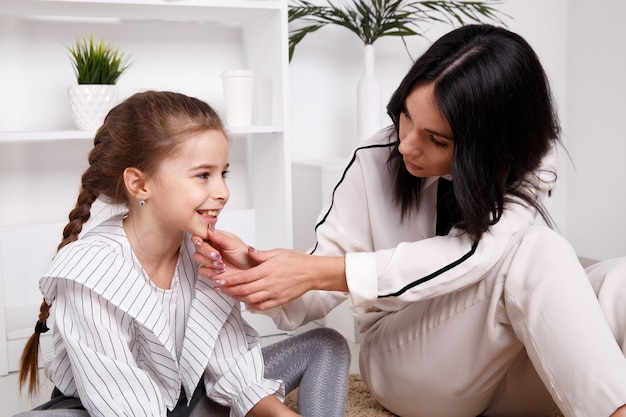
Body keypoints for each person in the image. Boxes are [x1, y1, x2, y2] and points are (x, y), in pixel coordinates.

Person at [193, 25, 626, 417]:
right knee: (541, 250)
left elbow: (476, 255)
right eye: (405, 116)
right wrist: (263, 273)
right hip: (406, 365)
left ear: (492, 149)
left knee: (618, 279)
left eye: (435, 139)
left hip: (501, 378)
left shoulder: (525, 165)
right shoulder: (377, 159)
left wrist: (318, 272)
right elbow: (319, 279)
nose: (405, 146)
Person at [14, 91, 350, 417]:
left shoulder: (204, 255)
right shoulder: (89, 272)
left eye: (223, 173)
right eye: (203, 175)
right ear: (139, 184)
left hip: (191, 399)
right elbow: (122, 405)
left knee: (327, 343)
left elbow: (233, 369)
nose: (222, 192)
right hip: (105, 408)